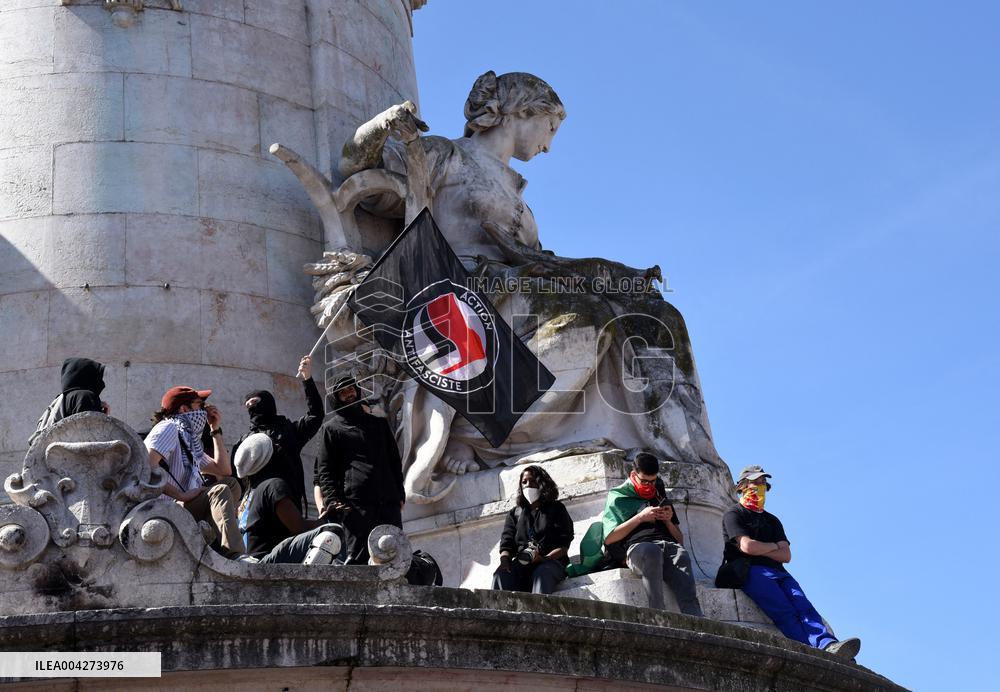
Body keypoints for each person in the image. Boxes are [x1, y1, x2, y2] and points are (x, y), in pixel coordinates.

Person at [722, 465, 861, 659]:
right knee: (784, 611)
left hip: (779, 572)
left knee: (804, 605)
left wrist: (764, 547)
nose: (760, 486)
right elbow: (747, 548)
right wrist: (773, 547)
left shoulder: (772, 520)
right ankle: (815, 650)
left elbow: (786, 556)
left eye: (763, 482)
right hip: (750, 571)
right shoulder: (734, 514)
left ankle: (828, 644)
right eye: (755, 482)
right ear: (743, 485)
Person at [313, 376, 405, 565]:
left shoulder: (379, 424)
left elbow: (394, 461)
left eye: (351, 389)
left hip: (388, 502)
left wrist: (399, 495)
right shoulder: (330, 429)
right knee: (358, 559)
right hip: (355, 506)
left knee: (395, 556)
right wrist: (332, 501)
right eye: (343, 392)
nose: (349, 394)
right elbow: (325, 470)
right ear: (336, 398)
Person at [145, 385, 243, 558]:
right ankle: (234, 554)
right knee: (219, 491)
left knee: (231, 484)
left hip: (182, 506)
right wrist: (181, 496)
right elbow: (146, 467)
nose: (204, 411)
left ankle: (216, 538)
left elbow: (223, 470)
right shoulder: (168, 428)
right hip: (166, 509)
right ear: (184, 409)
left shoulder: (188, 439)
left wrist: (215, 429)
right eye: (199, 405)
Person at [602, 453, 703, 616]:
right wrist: (640, 518)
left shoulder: (659, 494)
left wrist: (668, 520)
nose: (649, 485)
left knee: (681, 554)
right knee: (651, 552)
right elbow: (609, 538)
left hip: (668, 545)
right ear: (633, 475)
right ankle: (658, 614)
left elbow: (680, 539)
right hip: (637, 548)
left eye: (653, 481)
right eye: (644, 481)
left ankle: (696, 618)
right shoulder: (618, 496)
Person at [234, 432, 345, 564]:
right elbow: (299, 527)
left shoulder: (253, 490)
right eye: (274, 446)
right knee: (332, 530)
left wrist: (322, 520)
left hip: (254, 561)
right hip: (265, 562)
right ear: (268, 457)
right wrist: (329, 520)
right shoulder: (274, 485)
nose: (279, 448)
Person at [231, 355, 324, 511]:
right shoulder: (245, 441)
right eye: (248, 405)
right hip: (257, 506)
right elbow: (236, 476)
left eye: (254, 402)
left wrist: (307, 379)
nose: (251, 408)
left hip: (288, 501)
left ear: (268, 402)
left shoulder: (289, 431)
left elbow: (316, 415)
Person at [492, 465, 573, 595]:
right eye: (524, 482)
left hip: (550, 562)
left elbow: (563, 545)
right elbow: (506, 544)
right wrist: (505, 561)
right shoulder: (515, 514)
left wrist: (543, 558)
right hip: (522, 564)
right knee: (501, 575)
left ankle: (539, 614)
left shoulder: (556, 508)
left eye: (533, 481)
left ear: (542, 484)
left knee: (542, 573)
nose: (528, 485)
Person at [29, 357, 111, 446]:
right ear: (87, 375)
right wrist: (105, 418)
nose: (101, 382)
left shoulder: (59, 400)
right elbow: (92, 437)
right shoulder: (84, 396)